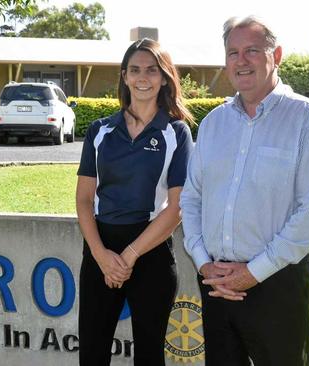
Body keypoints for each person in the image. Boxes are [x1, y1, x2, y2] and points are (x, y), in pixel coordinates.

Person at [180, 16, 309, 366]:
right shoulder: (213, 124)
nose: (241, 60)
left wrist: (252, 273)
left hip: (276, 284)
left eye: (252, 50)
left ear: (276, 55)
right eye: (233, 52)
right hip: (216, 283)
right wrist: (204, 263)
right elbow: (192, 198)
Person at [76, 38, 194, 366]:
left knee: (149, 356)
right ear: (125, 77)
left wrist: (128, 256)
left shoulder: (176, 132)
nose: (143, 77)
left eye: (152, 70)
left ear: (164, 78)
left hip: (150, 250)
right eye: (135, 70)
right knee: (92, 354)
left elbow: (177, 208)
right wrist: (102, 256)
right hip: (101, 251)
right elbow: (84, 200)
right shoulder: (100, 130)